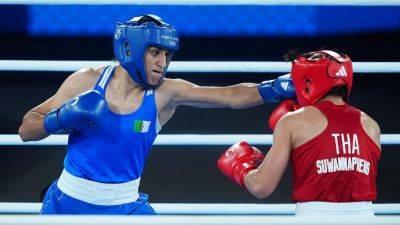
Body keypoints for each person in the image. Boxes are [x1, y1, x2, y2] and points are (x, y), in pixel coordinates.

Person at [18, 14, 295, 215]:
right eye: (154, 52)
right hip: (66, 203)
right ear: (130, 49)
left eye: (166, 55)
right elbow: (26, 130)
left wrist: (273, 89)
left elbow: (229, 97)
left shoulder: (165, 93)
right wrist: (60, 118)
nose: (162, 63)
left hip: (125, 207)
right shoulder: (86, 81)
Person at [218, 50, 381, 216]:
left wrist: (241, 167)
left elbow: (261, 187)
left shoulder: (293, 122)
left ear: (307, 83)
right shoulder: (371, 126)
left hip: (313, 216)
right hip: (365, 216)